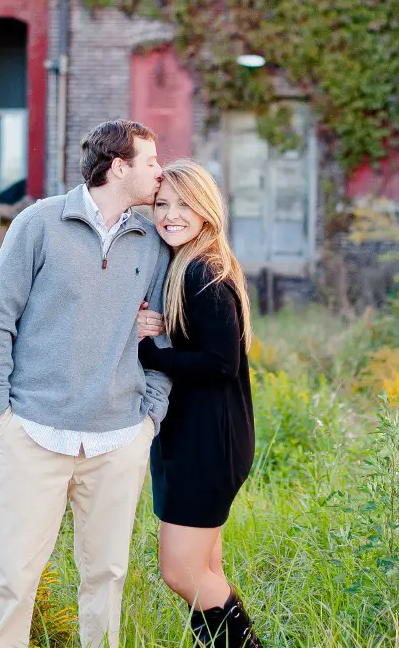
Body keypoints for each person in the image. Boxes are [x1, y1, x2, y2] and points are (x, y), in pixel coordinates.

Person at [0, 119, 171, 648]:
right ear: (120, 166)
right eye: (151, 161)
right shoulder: (38, 224)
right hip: (32, 432)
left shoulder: (153, 241)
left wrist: (150, 418)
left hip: (118, 438)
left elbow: (163, 336)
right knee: (13, 580)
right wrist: (0, 412)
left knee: (106, 579)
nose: (160, 171)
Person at [137, 159, 262, 647]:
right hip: (197, 435)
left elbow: (220, 362)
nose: (171, 214)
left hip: (207, 443)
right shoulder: (186, 263)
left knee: (182, 572)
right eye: (162, 204)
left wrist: (152, 352)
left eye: (184, 204)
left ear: (206, 209)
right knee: (206, 569)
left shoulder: (202, 271)